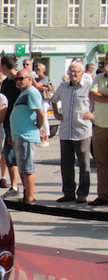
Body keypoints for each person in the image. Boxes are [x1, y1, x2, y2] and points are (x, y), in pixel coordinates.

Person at [51, 61, 93, 203]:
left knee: (83, 164)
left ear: (82, 73)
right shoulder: (63, 87)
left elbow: (97, 103)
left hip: (82, 131)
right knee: (66, 165)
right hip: (65, 130)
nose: (73, 74)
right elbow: (53, 100)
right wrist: (56, 113)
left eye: (76, 71)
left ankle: (82, 193)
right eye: (71, 71)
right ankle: (68, 192)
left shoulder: (88, 87)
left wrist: (93, 115)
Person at [8, 70, 45, 205]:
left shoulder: (32, 92)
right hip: (19, 135)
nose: (18, 81)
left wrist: (37, 127)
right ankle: (26, 195)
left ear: (30, 79)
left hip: (27, 135)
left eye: (21, 78)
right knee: (23, 166)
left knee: (27, 167)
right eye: (16, 79)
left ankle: (30, 197)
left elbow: (40, 114)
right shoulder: (24, 93)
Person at [0, 56, 21, 196]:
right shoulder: (5, 82)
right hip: (6, 123)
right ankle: (14, 186)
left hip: (17, 124)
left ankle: (17, 186)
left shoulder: (18, 82)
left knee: (17, 157)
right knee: (9, 156)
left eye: (1, 66)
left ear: (4, 66)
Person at [88, 52, 108, 206]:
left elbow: (97, 95)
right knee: (102, 163)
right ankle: (103, 195)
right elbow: (92, 95)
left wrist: (102, 96)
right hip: (100, 125)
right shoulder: (100, 78)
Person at [33, 63, 52, 146]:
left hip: (44, 101)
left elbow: (36, 85)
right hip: (37, 100)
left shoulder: (45, 78)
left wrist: (32, 79)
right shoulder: (36, 79)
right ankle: (41, 136)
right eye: (36, 70)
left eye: (38, 70)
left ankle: (46, 138)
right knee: (38, 118)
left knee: (44, 118)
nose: (37, 72)